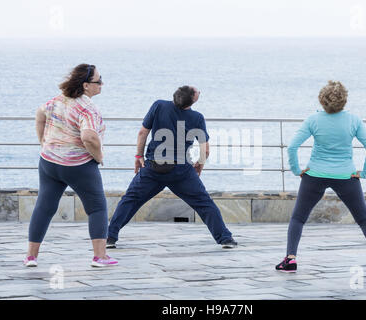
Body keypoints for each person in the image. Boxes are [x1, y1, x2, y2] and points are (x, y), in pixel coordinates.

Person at [275, 81, 366, 273]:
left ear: (322, 99)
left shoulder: (313, 120)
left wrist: (297, 170)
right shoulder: (354, 120)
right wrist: (365, 173)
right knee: (364, 218)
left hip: (314, 176)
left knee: (298, 218)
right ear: (344, 100)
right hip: (346, 176)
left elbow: (292, 147)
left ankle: (291, 259)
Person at [107, 86, 237, 249]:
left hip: (153, 167)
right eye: (197, 91)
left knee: (130, 200)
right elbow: (206, 149)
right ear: (193, 101)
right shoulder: (197, 117)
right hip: (181, 170)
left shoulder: (159, 105)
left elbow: (142, 133)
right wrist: (199, 165)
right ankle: (225, 239)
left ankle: (110, 237)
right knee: (204, 203)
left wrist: (138, 156)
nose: (199, 92)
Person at [23, 64, 118, 268]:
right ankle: (100, 257)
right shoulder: (87, 108)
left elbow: (39, 115)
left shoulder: (56, 100)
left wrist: (44, 141)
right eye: (98, 81)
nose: (102, 84)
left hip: (48, 162)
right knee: (97, 208)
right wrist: (99, 155)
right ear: (85, 85)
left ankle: (31, 257)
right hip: (78, 165)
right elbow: (89, 137)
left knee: (44, 206)